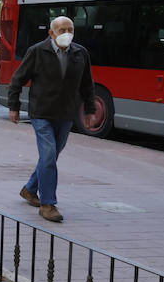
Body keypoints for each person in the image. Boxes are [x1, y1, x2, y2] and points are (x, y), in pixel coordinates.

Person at [6, 16, 98, 223]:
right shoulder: (37, 51)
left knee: (51, 157)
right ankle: (48, 205)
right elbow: (17, 80)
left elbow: (87, 84)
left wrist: (90, 109)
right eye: (62, 30)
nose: (67, 34)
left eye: (70, 30)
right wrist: (14, 106)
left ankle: (29, 189)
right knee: (48, 156)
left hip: (66, 114)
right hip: (41, 113)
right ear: (51, 33)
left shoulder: (80, 53)